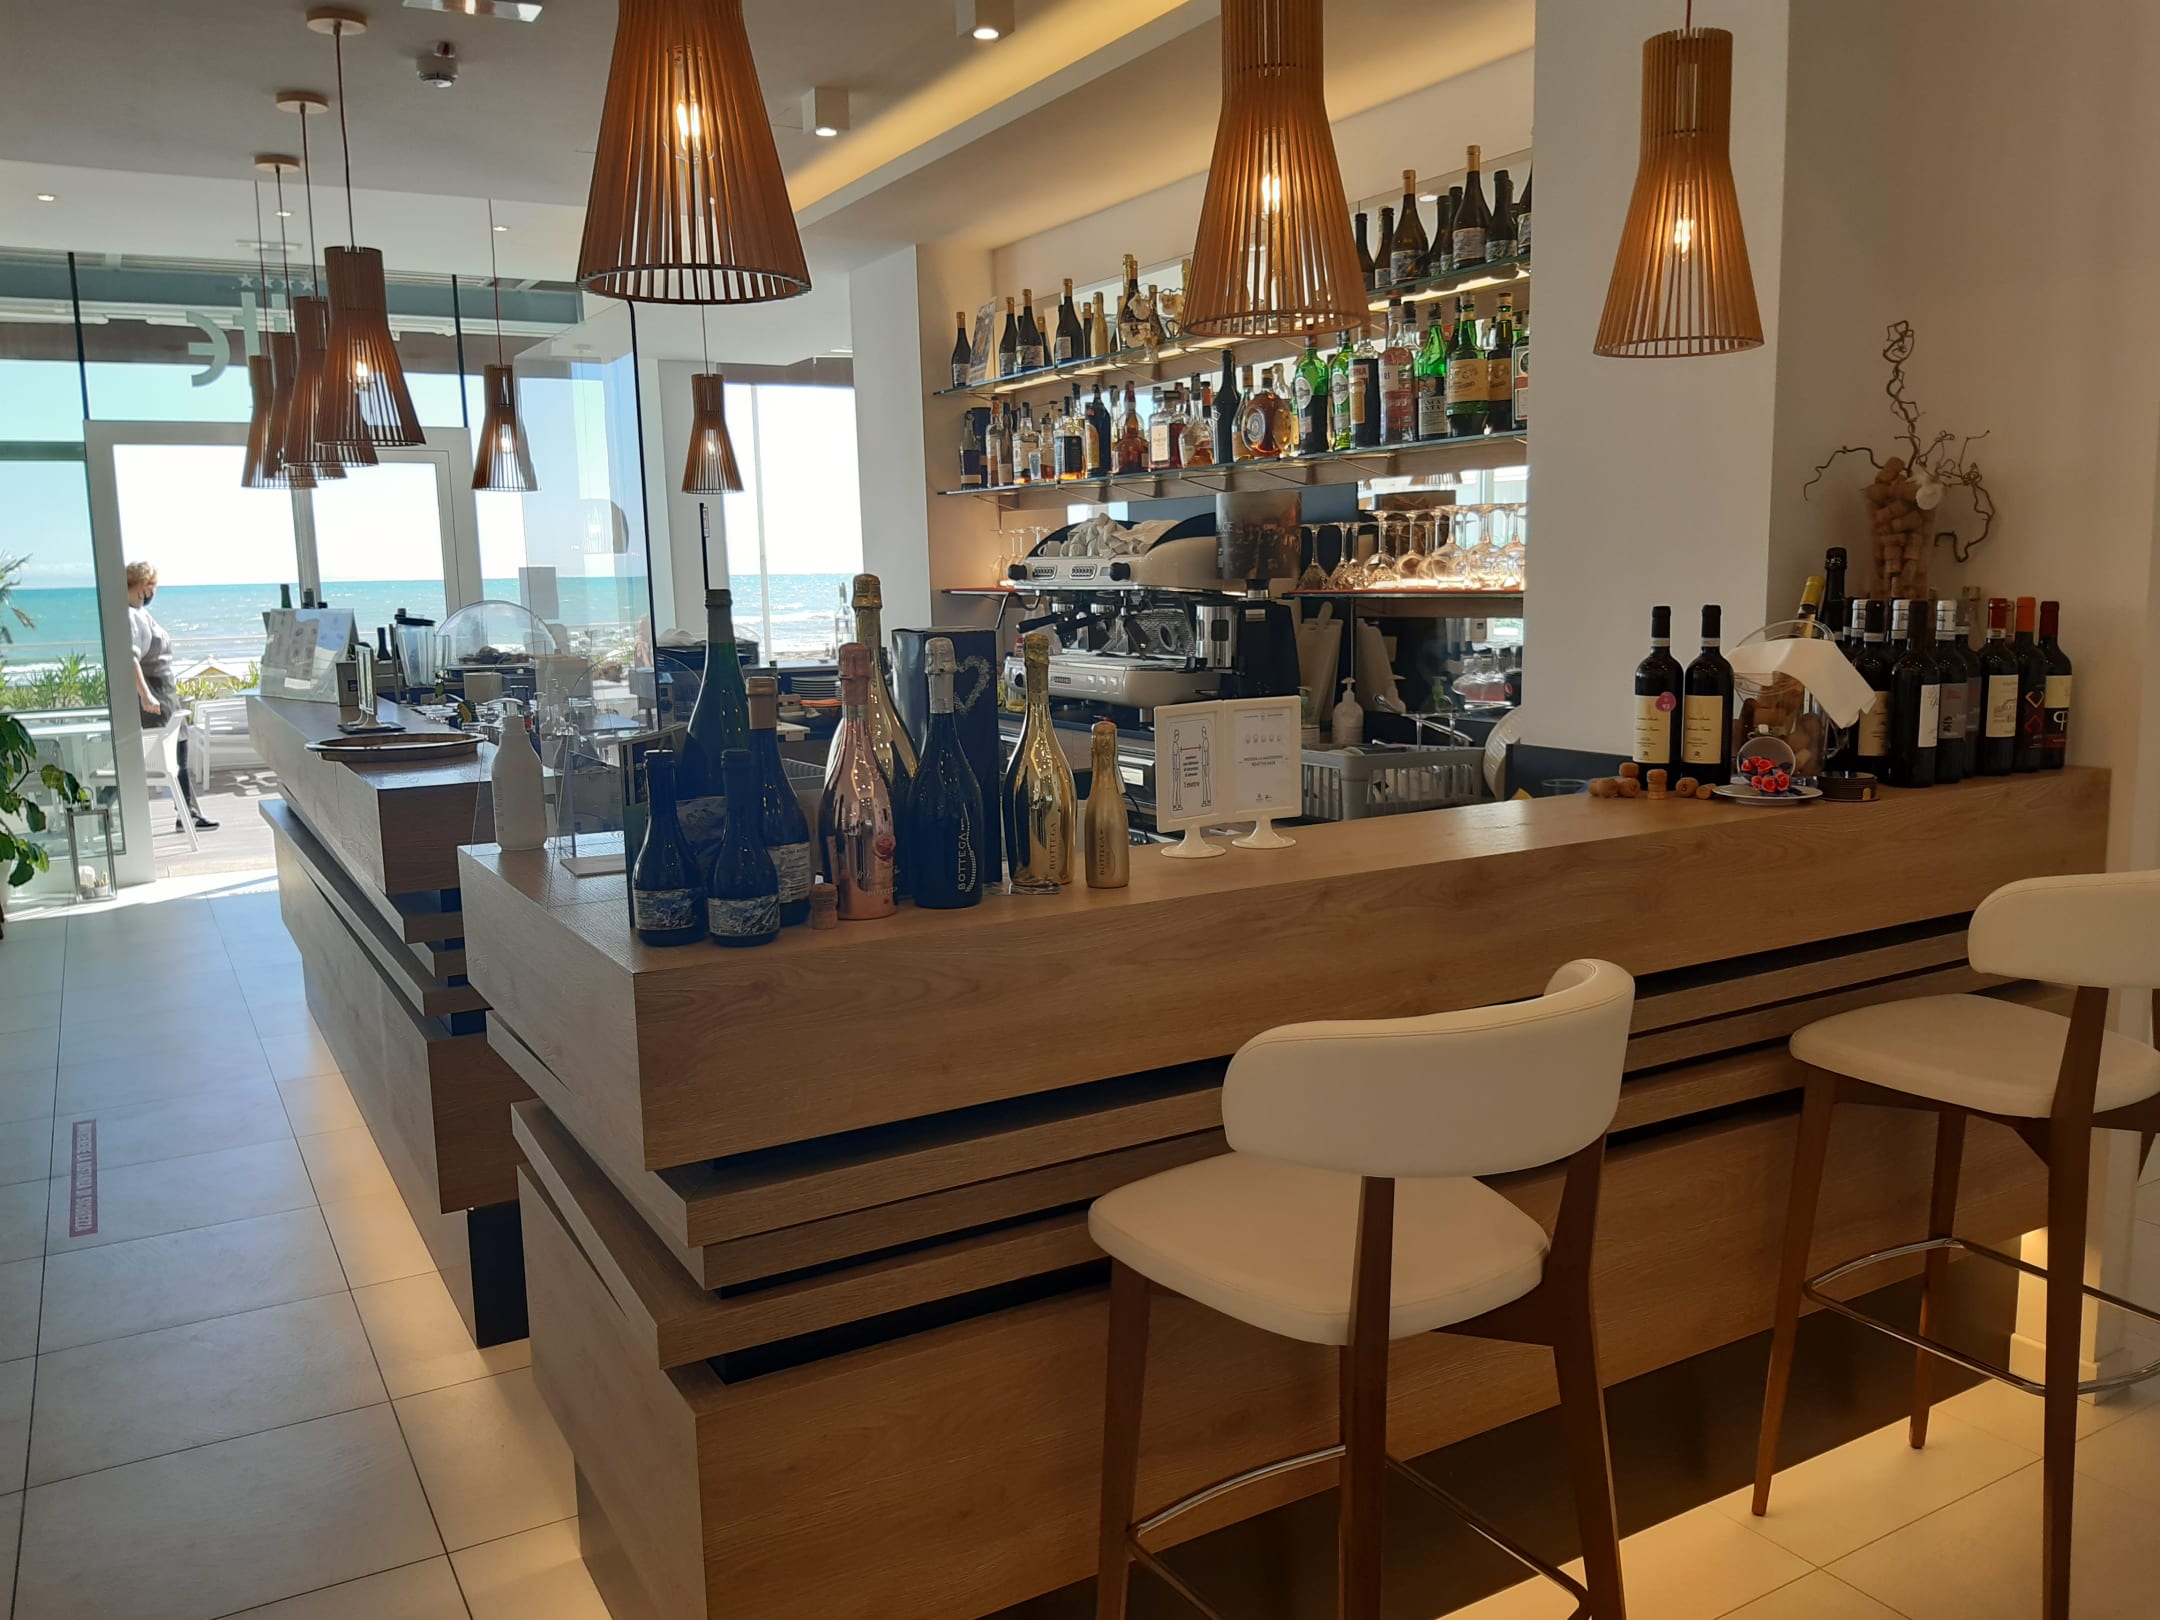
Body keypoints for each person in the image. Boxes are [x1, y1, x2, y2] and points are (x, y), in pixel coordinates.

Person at [126, 561, 218, 833]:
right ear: (144, 586)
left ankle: (187, 812)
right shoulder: (130, 615)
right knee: (170, 755)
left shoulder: (139, 612)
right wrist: (146, 695)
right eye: (153, 586)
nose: (154, 591)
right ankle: (186, 813)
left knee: (177, 752)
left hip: (164, 692)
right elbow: (131, 657)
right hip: (156, 693)